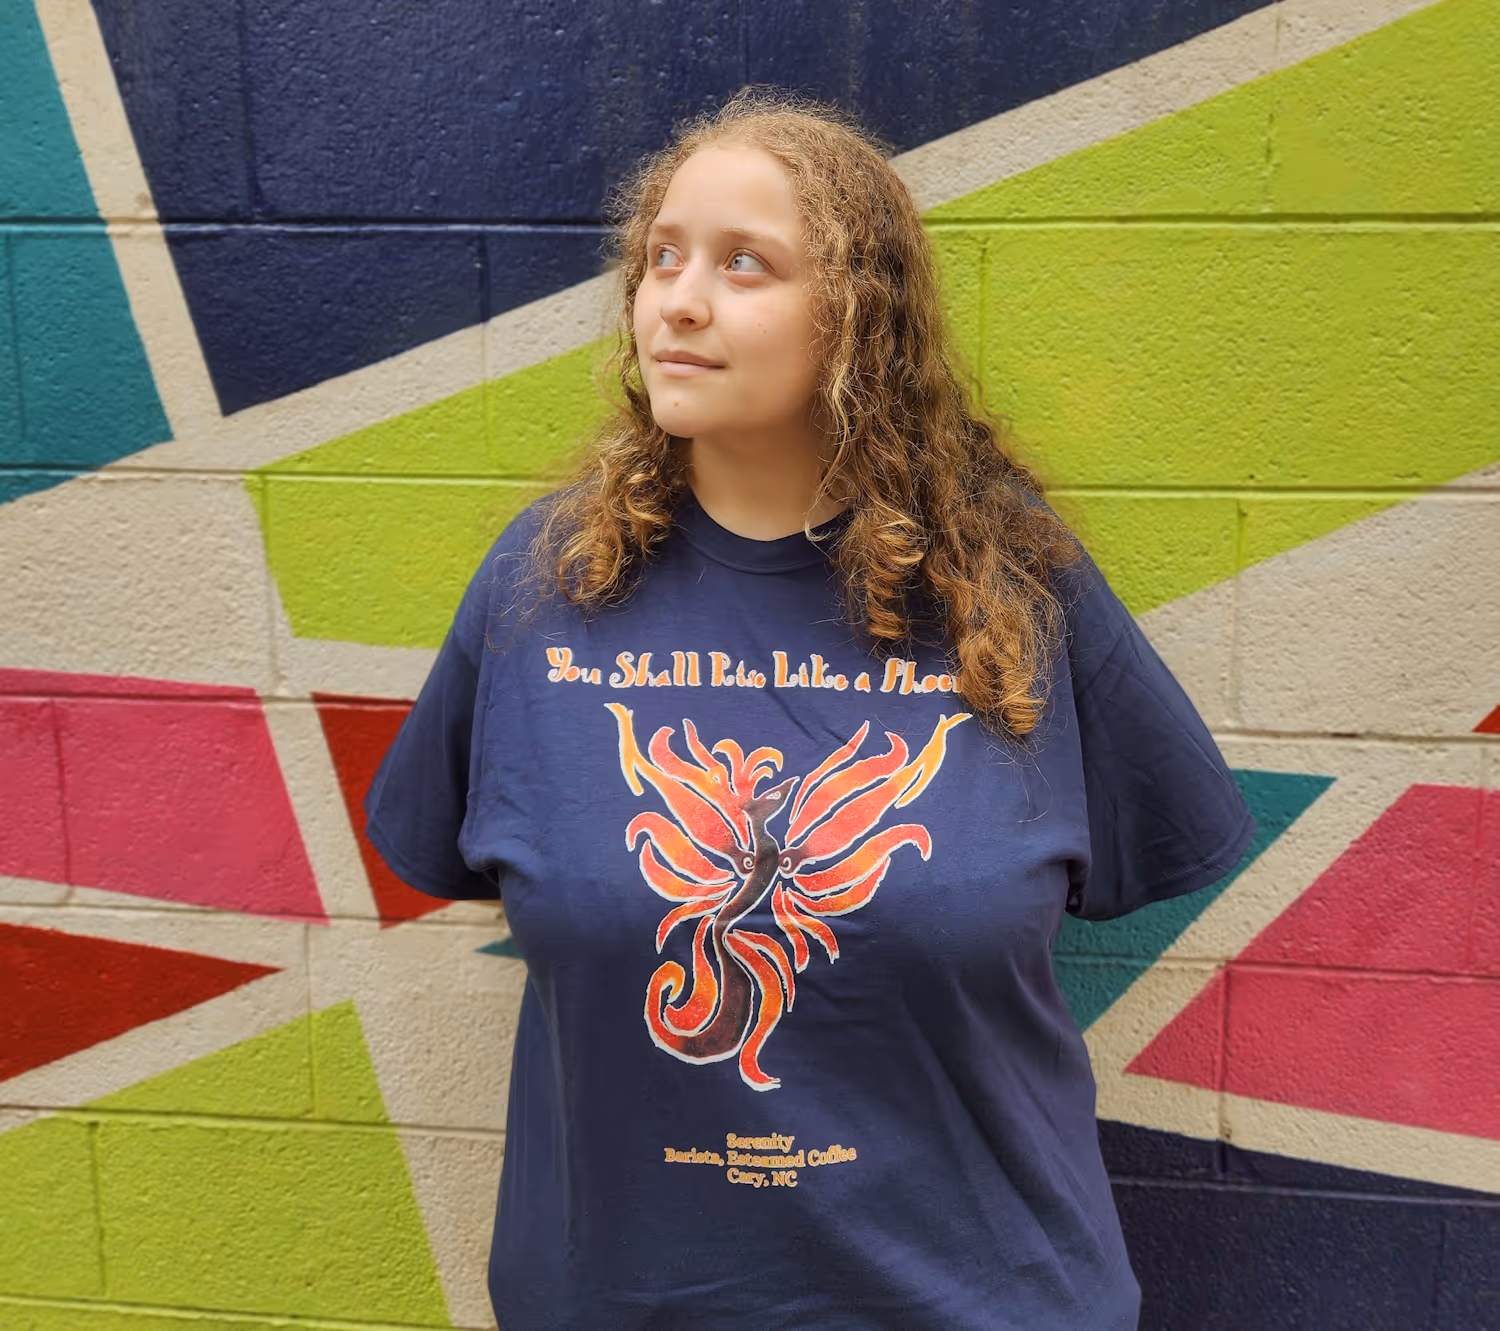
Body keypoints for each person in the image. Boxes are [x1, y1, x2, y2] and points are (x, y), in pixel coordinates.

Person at [365, 86, 1254, 1331]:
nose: (678, 299)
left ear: (858, 318)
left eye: (745, 265)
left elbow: (1163, 834)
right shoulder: (543, 586)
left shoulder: (1015, 588)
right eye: (662, 256)